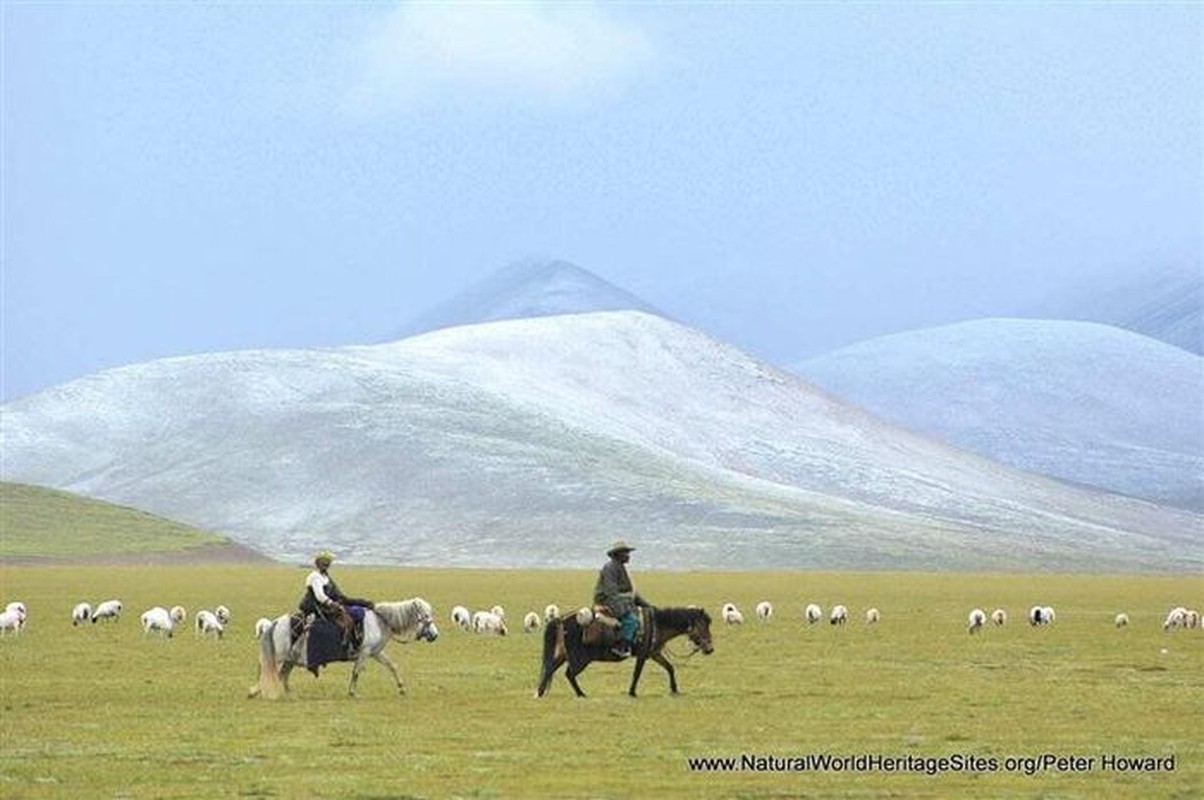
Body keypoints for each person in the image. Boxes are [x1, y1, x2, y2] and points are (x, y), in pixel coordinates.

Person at [298, 550, 374, 648]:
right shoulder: (315, 577)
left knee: (356, 611)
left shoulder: (325, 577)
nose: (326, 563)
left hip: (326, 605)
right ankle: (341, 645)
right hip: (316, 606)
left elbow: (340, 597)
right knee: (346, 620)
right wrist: (333, 604)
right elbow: (320, 596)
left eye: (328, 562)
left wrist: (362, 603)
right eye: (324, 561)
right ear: (318, 563)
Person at [593, 540, 650, 658]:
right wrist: (624, 608)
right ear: (618, 554)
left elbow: (631, 593)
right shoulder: (610, 568)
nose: (628, 556)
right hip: (608, 600)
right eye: (625, 553)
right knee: (631, 620)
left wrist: (647, 605)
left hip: (621, 600)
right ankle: (621, 647)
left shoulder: (622, 568)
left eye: (628, 553)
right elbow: (611, 592)